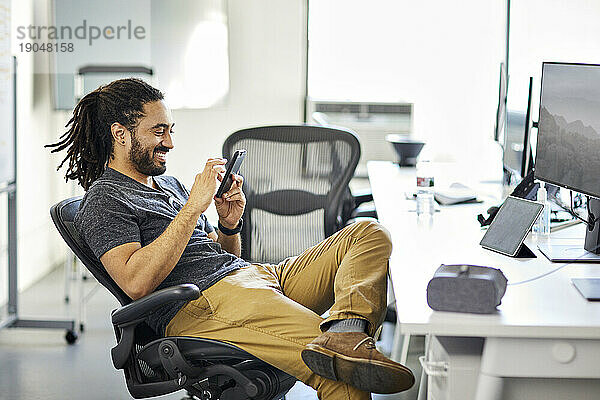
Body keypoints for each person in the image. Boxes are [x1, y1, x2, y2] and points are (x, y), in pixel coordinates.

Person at [47, 78, 414, 399]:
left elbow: (221, 256)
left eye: (171, 130)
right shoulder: (105, 199)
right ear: (120, 134)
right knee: (335, 368)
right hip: (204, 305)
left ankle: (347, 332)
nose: (170, 142)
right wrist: (192, 207)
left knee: (367, 232)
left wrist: (229, 224)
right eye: (159, 131)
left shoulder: (169, 186)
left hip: (254, 278)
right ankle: (341, 348)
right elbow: (136, 283)